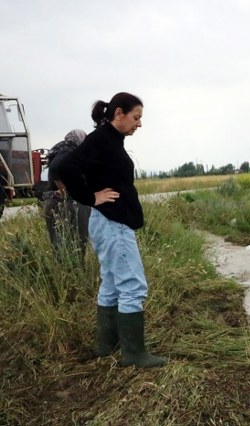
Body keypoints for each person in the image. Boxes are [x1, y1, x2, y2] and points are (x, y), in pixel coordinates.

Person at [59, 92, 166, 368]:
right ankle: (134, 354)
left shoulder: (109, 140)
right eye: (136, 117)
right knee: (133, 285)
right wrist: (91, 197)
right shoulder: (101, 140)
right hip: (112, 223)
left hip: (107, 222)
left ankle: (108, 346)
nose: (139, 124)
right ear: (119, 113)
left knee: (111, 284)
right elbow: (64, 167)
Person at [42, 129, 90, 262]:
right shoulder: (70, 151)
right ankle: (75, 275)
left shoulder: (59, 150)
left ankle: (63, 274)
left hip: (52, 202)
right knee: (78, 242)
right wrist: (66, 190)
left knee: (58, 244)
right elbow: (56, 168)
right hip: (70, 203)